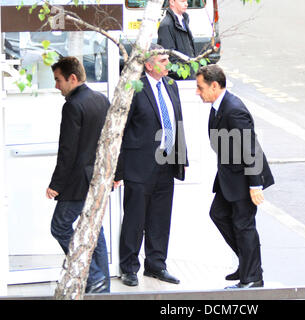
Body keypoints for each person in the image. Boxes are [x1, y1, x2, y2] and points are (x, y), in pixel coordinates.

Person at [115, 44, 188, 287]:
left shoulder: (170, 85)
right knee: (135, 219)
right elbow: (121, 130)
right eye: (163, 60)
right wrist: (119, 168)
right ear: (148, 64)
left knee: (160, 218)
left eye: (168, 59)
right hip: (140, 164)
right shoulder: (135, 87)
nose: (168, 63)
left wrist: (181, 158)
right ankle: (129, 267)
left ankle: (156, 265)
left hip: (166, 162)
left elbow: (177, 122)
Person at [195, 65, 274, 289]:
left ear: (215, 86)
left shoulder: (234, 110)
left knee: (244, 225)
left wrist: (255, 184)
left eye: (200, 88)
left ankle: (252, 278)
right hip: (229, 176)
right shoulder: (217, 106)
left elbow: (250, 148)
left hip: (244, 178)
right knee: (218, 214)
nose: (197, 92)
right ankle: (248, 263)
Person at [47, 56, 110, 294]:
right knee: (96, 230)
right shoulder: (101, 99)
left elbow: (68, 150)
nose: (56, 86)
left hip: (76, 182)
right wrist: (116, 172)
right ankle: (102, 285)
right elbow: (113, 138)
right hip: (97, 179)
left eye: (58, 80)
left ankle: (93, 276)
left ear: (72, 78)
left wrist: (56, 184)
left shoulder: (72, 105)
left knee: (60, 226)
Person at [157, 0, 196, 80]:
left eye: (186, 1)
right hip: (179, 80)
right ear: (172, 2)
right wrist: (185, 75)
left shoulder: (184, 20)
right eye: (182, 1)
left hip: (191, 75)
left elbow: (190, 50)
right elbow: (168, 58)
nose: (186, 4)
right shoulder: (166, 25)